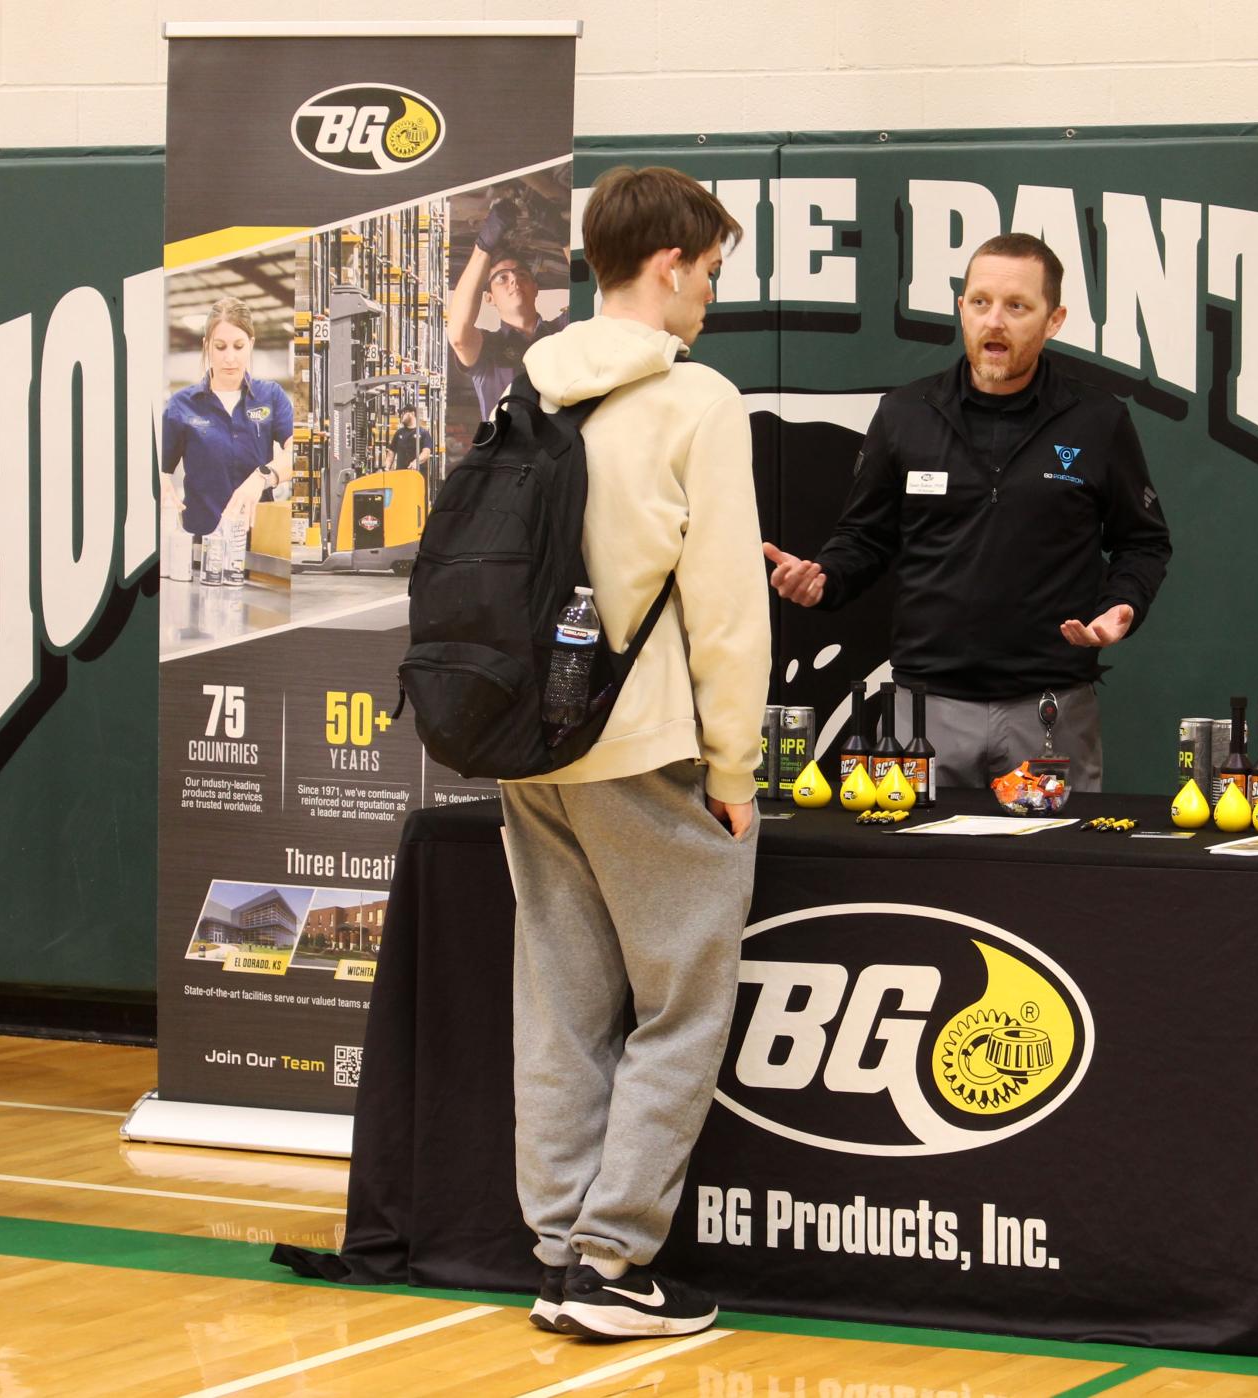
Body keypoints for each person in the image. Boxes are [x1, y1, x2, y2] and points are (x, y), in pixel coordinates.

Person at [501, 165, 764, 1341]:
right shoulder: (698, 400)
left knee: (560, 1001)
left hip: (528, 740)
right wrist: (734, 766)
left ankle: (558, 1251)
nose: (711, 294)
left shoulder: (531, 385)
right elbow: (724, 611)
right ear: (667, 265)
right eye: (709, 271)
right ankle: (613, 1265)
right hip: (645, 740)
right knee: (682, 1000)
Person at [762, 233, 1171, 791]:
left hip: (1049, 711)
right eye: (980, 303)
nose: (994, 322)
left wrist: (1122, 605)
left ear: (1054, 320)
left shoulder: (1098, 421)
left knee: (1054, 877)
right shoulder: (906, 414)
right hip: (923, 710)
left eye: (1017, 307)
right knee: (916, 878)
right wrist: (825, 579)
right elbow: (864, 536)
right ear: (961, 309)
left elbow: (1143, 543)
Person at [161, 298, 294, 587]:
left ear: (252, 344)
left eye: (238, 346)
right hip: (196, 558)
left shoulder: (271, 396)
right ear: (207, 344)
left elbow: (297, 453)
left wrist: (263, 477)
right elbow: (159, 468)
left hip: (261, 556)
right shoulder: (181, 405)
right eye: (220, 347)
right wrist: (160, 484)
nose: (229, 358)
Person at [448, 197, 567, 418]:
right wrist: (483, 245)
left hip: (565, 451)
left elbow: (595, 294)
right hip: (510, 451)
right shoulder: (488, 350)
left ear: (535, 287)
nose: (513, 279)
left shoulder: (563, 332)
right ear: (489, 298)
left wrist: (564, 235)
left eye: (521, 274)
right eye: (502, 278)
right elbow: (458, 336)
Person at [388, 407, 432, 472]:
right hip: (401, 473)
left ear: (412, 413)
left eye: (404, 413)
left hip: (416, 474)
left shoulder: (423, 433)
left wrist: (416, 462)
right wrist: (387, 467)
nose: (401, 415)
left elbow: (426, 452)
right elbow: (391, 452)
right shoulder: (399, 433)